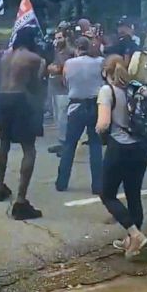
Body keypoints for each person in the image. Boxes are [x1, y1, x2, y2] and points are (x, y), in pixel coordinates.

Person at [96, 55, 147, 258]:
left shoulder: (107, 90)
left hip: (120, 147)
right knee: (133, 193)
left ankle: (135, 234)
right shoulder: (134, 87)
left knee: (107, 193)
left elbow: (103, 124)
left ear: (106, 71)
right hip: (141, 147)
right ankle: (132, 242)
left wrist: (100, 132)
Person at [0, 27, 45, 220]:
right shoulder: (34, 58)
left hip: (3, 98)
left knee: (4, 143)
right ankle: (21, 201)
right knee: (29, 149)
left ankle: (0, 187)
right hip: (20, 100)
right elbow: (35, 84)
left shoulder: (5, 56)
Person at [55, 37, 104, 194]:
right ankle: (97, 185)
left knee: (69, 145)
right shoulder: (100, 62)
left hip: (76, 105)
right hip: (96, 105)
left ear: (76, 48)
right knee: (95, 145)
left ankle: (62, 182)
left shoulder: (69, 64)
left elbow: (64, 82)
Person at [47, 28, 74, 156]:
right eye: (56, 38)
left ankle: (66, 144)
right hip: (55, 88)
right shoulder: (57, 51)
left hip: (65, 89)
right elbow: (52, 65)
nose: (57, 41)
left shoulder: (70, 52)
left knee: (64, 117)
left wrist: (56, 69)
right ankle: (61, 142)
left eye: (59, 38)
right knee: (58, 117)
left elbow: (64, 68)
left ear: (66, 38)